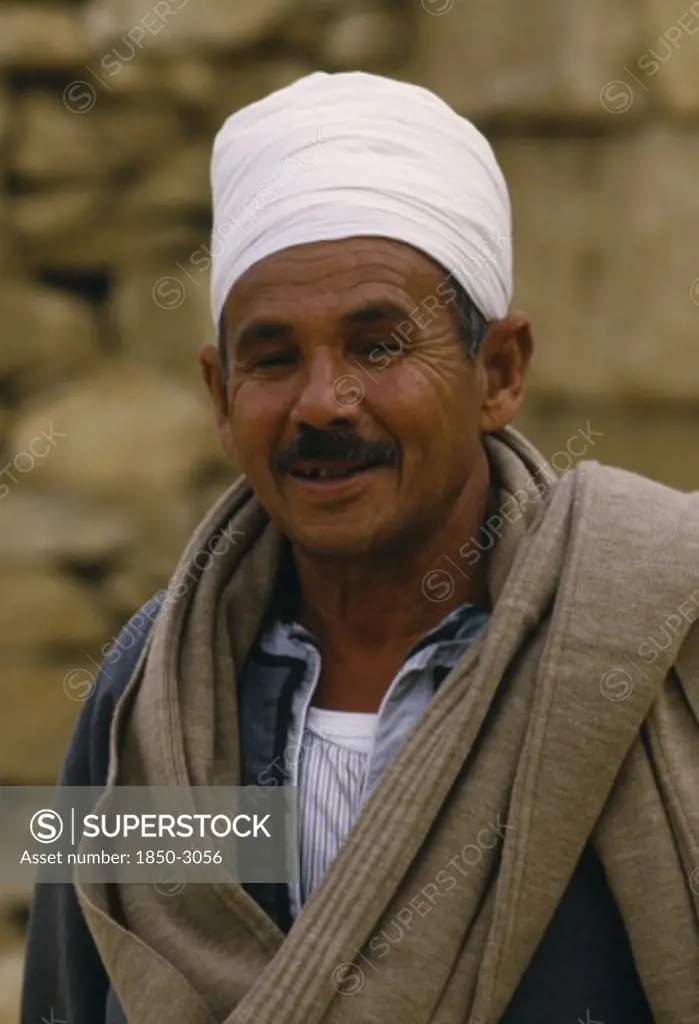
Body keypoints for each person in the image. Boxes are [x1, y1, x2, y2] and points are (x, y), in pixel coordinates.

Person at [21, 70, 699, 1024]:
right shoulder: (154, 695)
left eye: (378, 346)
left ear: (498, 372)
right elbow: (67, 999)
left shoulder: (649, 648)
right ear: (220, 395)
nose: (322, 402)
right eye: (273, 357)